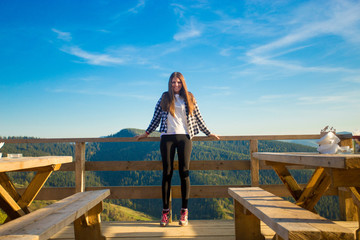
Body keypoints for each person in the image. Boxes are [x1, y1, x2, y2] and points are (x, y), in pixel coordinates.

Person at [135, 72, 219, 227]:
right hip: (167, 137)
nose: (175, 85)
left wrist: (208, 133)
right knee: (166, 173)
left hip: (185, 138)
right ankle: (165, 212)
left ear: (183, 83)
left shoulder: (190, 97)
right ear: (169, 83)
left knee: (184, 173)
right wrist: (146, 133)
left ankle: (184, 212)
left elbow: (198, 117)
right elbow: (156, 117)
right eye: (173, 82)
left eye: (178, 82)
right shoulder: (165, 97)